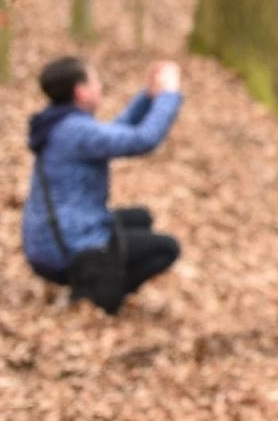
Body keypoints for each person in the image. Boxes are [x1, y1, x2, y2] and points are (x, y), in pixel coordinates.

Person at [21, 56, 184, 314]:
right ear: (81, 91)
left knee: (141, 218)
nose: (100, 87)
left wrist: (149, 96)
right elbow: (143, 139)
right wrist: (169, 94)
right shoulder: (76, 131)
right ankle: (97, 293)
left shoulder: (64, 124)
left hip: (53, 237)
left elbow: (116, 132)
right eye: (95, 81)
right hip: (67, 249)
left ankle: (97, 281)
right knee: (167, 248)